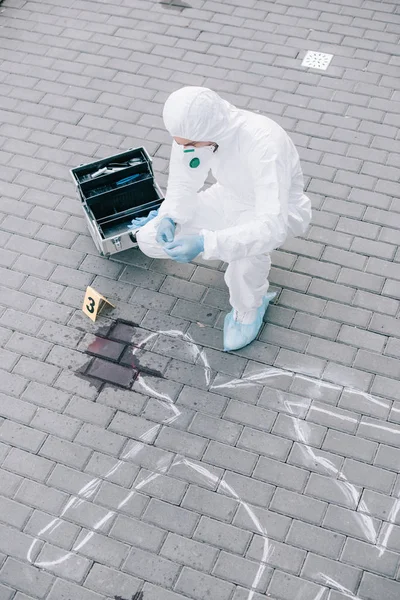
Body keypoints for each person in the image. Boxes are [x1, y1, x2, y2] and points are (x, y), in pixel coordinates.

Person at [135, 86, 311, 352]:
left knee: (246, 260)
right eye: (181, 143)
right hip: (227, 196)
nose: (185, 149)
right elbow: (184, 180)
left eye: (190, 145)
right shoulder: (194, 133)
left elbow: (270, 226)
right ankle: (232, 249)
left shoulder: (264, 143)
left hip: (272, 212)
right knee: (148, 239)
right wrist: (170, 216)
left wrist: (207, 243)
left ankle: (250, 308)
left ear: (207, 133)